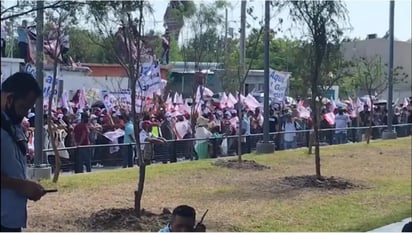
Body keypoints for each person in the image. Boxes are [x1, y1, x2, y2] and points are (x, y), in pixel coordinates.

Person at [1, 72, 46, 232]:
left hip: (11, 219)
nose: (25, 114)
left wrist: (27, 187)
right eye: (23, 107)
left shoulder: (14, 125)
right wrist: (20, 185)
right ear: (10, 99)